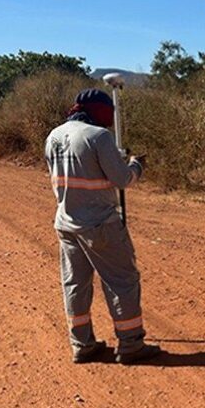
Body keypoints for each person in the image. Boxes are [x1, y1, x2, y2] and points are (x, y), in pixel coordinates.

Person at [45, 88, 161, 364]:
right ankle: (131, 344)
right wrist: (136, 166)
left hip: (67, 222)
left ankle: (82, 344)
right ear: (100, 110)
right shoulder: (99, 136)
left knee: (75, 284)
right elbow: (122, 180)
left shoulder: (54, 136)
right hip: (100, 225)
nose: (110, 118)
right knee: (122, 281)